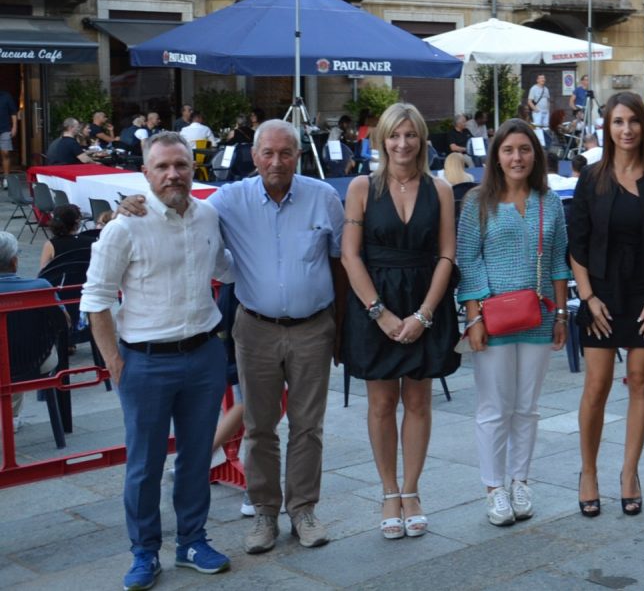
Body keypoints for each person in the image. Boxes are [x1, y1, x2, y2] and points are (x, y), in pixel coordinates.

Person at [116, 121, 347, 554]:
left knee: (308, 427)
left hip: (314, 327)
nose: (276, 162)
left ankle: (303, 510)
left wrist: (341, 328)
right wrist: (129, 205)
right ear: (254, 155)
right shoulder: (228, 200)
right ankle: (263, 511)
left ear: (297, 155)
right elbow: (175, 201)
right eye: (268, 153)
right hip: (255, 327)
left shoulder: (324, 197)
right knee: (259, 426)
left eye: (285, 153)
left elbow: (339, 262)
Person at [81, 132, 235, 588]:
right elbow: (95, 299)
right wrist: (114, 360)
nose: (173, 174)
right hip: (145, 361)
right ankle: (144, 552)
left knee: (195, 458)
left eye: (181, 165)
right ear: (145, 173)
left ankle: (192, 541)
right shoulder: (124, 226)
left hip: (203, 354)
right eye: (163, 166)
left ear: (193, 168)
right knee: (145, 465)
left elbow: (226, 269)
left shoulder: (208, 216)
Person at [341, 103, 461, 540]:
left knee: (419, 402)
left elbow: (447, 253)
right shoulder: (361, 188)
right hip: (375, 304)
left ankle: (412, 491)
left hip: (425, 300)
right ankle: (388, 491)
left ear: (422, 139)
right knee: (380, 404)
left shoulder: (441, 189)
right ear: (382, 140)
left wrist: (425, 314)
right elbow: (350, 254)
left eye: (411, 135)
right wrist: (381, 313)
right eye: (395, 135)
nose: (403, 144)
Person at [456, 119, 570, 526]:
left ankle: (521, 480)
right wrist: (474, 318)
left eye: (524, 149)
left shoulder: (548, 201)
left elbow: (559, 260)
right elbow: (467, 261)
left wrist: (561, 314)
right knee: (493, 407)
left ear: (535, 154)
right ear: (496, 156)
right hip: (493, 317)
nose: (517, 157)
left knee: (527, 407)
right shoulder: (477, 202)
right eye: (509, 150)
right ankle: (493, 488)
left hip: (538, 315)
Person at [569, 92, 644, 518]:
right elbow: (575, 244)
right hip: (599, 292)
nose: (626, 129)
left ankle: (630, 473)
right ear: (607, 127)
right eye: (618, 121)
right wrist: (587, 297)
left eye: (633, 121)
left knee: (640, 378)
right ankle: (589, 472)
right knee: (596, 384)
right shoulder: (591, 177)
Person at [0, 232, 58, 427]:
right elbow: (63, 322)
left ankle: (11, 417)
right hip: (36, 360)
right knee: (17, 348)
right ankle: (12, 417)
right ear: (15, 262)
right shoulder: (40, 287)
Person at [38, 203, 97, 269]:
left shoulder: (51, 244)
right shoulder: (92, 242)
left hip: (61, 278)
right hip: (85, 278)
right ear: (77, 221)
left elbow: (43, 271)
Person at [0, 85, 17, 188]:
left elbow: (13, 113)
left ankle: (6, 178)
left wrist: (14, 127)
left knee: (5, 153)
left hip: (5, 129)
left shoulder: (6, 96)